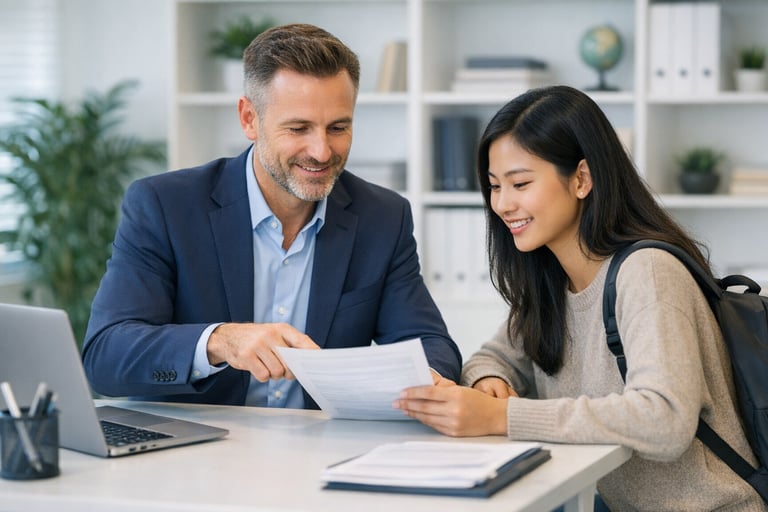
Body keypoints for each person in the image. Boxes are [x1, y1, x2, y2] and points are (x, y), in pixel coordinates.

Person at [393, 85, 766, 510]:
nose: (502, 204)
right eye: (495, 186)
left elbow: (665, 419)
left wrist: (502, 417)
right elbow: (492, 357)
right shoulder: (553, 280)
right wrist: (488, 383)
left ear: (582, 179)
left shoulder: (647, 272)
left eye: (520, 183)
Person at [82, 23, 462, 409]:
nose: (321, 151)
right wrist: (220, 341)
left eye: (338, 128)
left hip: (320, 449)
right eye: (299, 128)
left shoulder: (384, 216)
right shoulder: (164, 206)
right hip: (197, 449)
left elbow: (430, 346)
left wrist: (422, 381)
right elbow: (106, 356)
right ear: (249, 118)